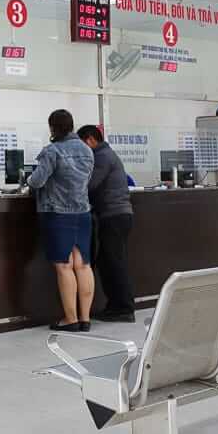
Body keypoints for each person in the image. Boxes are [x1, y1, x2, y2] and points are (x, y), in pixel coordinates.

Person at [26, 109, 96, 332]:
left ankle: (70, 319)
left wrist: (28, 177)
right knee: (83, 265)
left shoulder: (52, 151)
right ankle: (85, 319)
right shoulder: (87, 150)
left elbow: (36, 182)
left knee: (64, 267)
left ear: (53, 127)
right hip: (83, 213)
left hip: (57, 214)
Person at [79, 124, 135, 323]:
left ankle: (123, 308)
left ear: (90, 140)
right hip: (114, 215)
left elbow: (90, 184)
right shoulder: (105, 154)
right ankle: (117, 306)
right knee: (109, 261)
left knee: (114, 263)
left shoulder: (102, 157)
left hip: (114, 215)